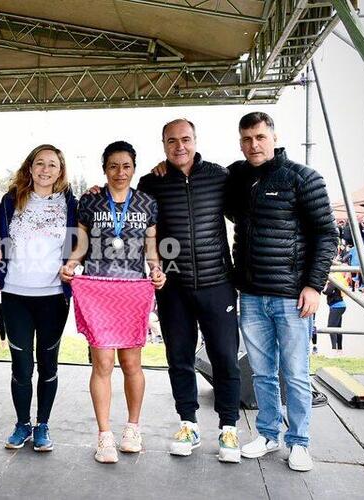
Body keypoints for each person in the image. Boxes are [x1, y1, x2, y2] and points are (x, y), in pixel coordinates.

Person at [228, 112, 337, 472]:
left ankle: (300, 442)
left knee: (295, 373)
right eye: (246, 138)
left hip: (292, 297)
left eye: (259, 137)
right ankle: (268, 433)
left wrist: (313, 285)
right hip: (252, 296)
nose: (253, 145)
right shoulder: (238, 177)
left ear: (273, 137)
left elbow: (327, 235)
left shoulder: (303, 178)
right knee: (261, 372)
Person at [137, 119, 242, 463]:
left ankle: (228, 428)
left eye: (185, 139)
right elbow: (141, 229)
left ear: (196, 140)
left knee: (225, 358)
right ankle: (188, 424)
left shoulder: (219, 176)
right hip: (173, 287)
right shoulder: (151, 182)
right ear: (163, 144)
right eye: (172, 141)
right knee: (178, 358)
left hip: (217, 284)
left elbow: (244, 211)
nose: (179, 146)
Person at [60, 141, 165, 464]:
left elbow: (152, 246)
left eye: (126, 166)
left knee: (132, 363)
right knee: (103, 363)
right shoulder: (90, 201)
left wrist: (157, 269)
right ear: (104, 169)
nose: (120, 172)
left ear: (134, 168)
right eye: (113, 166)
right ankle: (104, 435)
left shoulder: (147, 202)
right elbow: (80, 242)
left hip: (133, 290)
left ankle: (133, 428)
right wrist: (71, 264)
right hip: (99, 289)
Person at [0, 144, 77, 451]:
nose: (45, 170)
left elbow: (78, 242)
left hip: (53, 297)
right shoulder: (11, 200)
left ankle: (42, 425)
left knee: (48, 363)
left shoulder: (71, 203)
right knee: (21, 366)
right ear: (29, 168)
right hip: (15, 294)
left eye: (52, 165)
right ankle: (22, 425)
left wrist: (72, 264)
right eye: (40, 163)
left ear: (61, 171)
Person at [322, 262, 347, 354]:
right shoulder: (339, 278)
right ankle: (340, 349)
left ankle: (333, 349)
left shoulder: (334, 279)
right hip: (341, 305)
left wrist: (323, 286)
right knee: (338, 328)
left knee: (331, 328)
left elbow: (327, 291)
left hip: (336, 306)